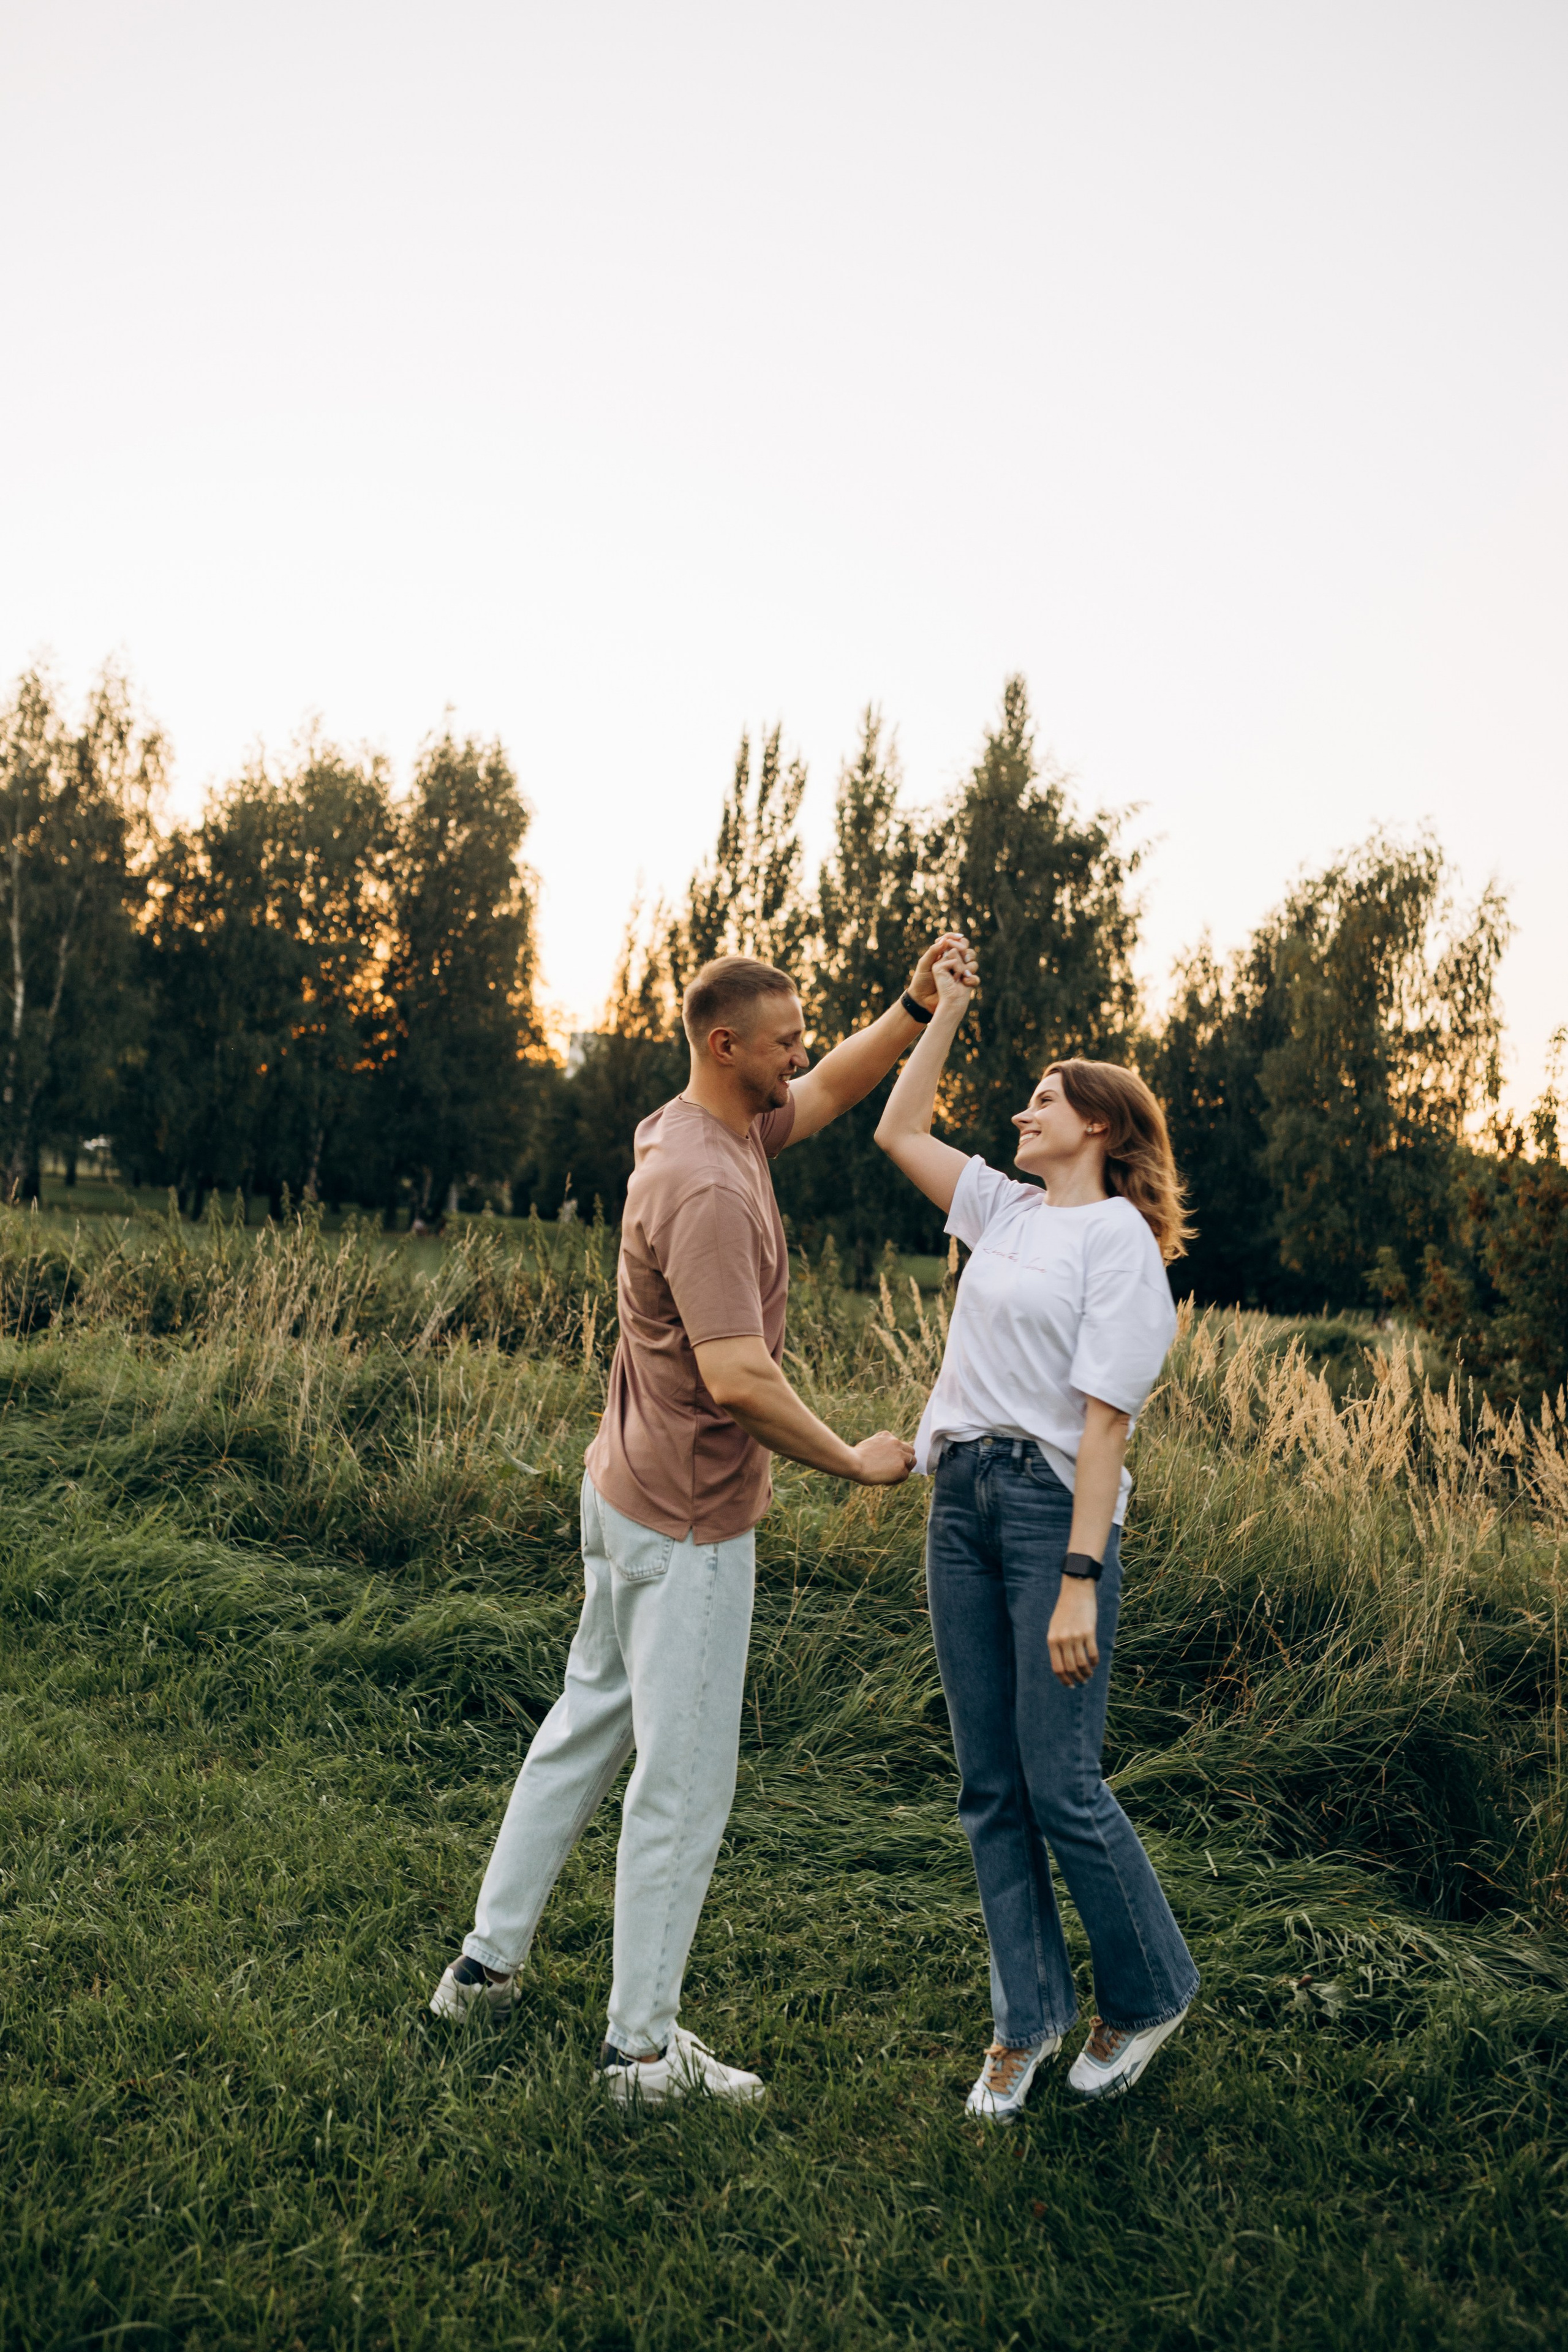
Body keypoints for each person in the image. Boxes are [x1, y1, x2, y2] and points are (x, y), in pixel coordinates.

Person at [431, 937, 977, 2106]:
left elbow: (830, 1089)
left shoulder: (704, 1125)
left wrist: (909, 1007)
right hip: (688, 1525)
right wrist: (854, 1461)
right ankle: (639, 2054)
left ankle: (484, 1971)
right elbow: (738, 1377)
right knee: (682, 1785)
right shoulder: (715, 1188)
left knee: (584, 1727)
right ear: (727, 1047)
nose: (800, 1055)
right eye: (783, 1039)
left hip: (626, 1487)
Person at [874, 955, 1199, 2122]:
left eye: (1045, 1100)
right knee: (988, 1784)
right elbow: (898, 1127)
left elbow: (1105, 1426)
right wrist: (948, 1005)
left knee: (1060, 1781)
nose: (1021, 1112)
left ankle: (1151, 1988)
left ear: (1100, 1125)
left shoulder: (1118, 1244)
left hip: (1048, 1512)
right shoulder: (1004, 1208)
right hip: (957, 1500)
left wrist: (1078, 1578)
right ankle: (1029, 2021)